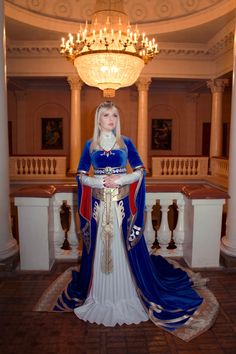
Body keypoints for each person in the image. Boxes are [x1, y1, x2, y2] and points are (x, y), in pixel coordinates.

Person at [54, 101, 218, 341]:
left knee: (123, 247)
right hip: (100, 207)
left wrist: (120, 180)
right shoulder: (90, 145)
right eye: (106, 115)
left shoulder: (126, 142)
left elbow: (141, 170)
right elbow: (80, 174)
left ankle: (128, 293)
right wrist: (97, 182)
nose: (111, 119)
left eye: (114, 115)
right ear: (98, 119)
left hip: (121, 207)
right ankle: (100, 295)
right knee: (101, 249)